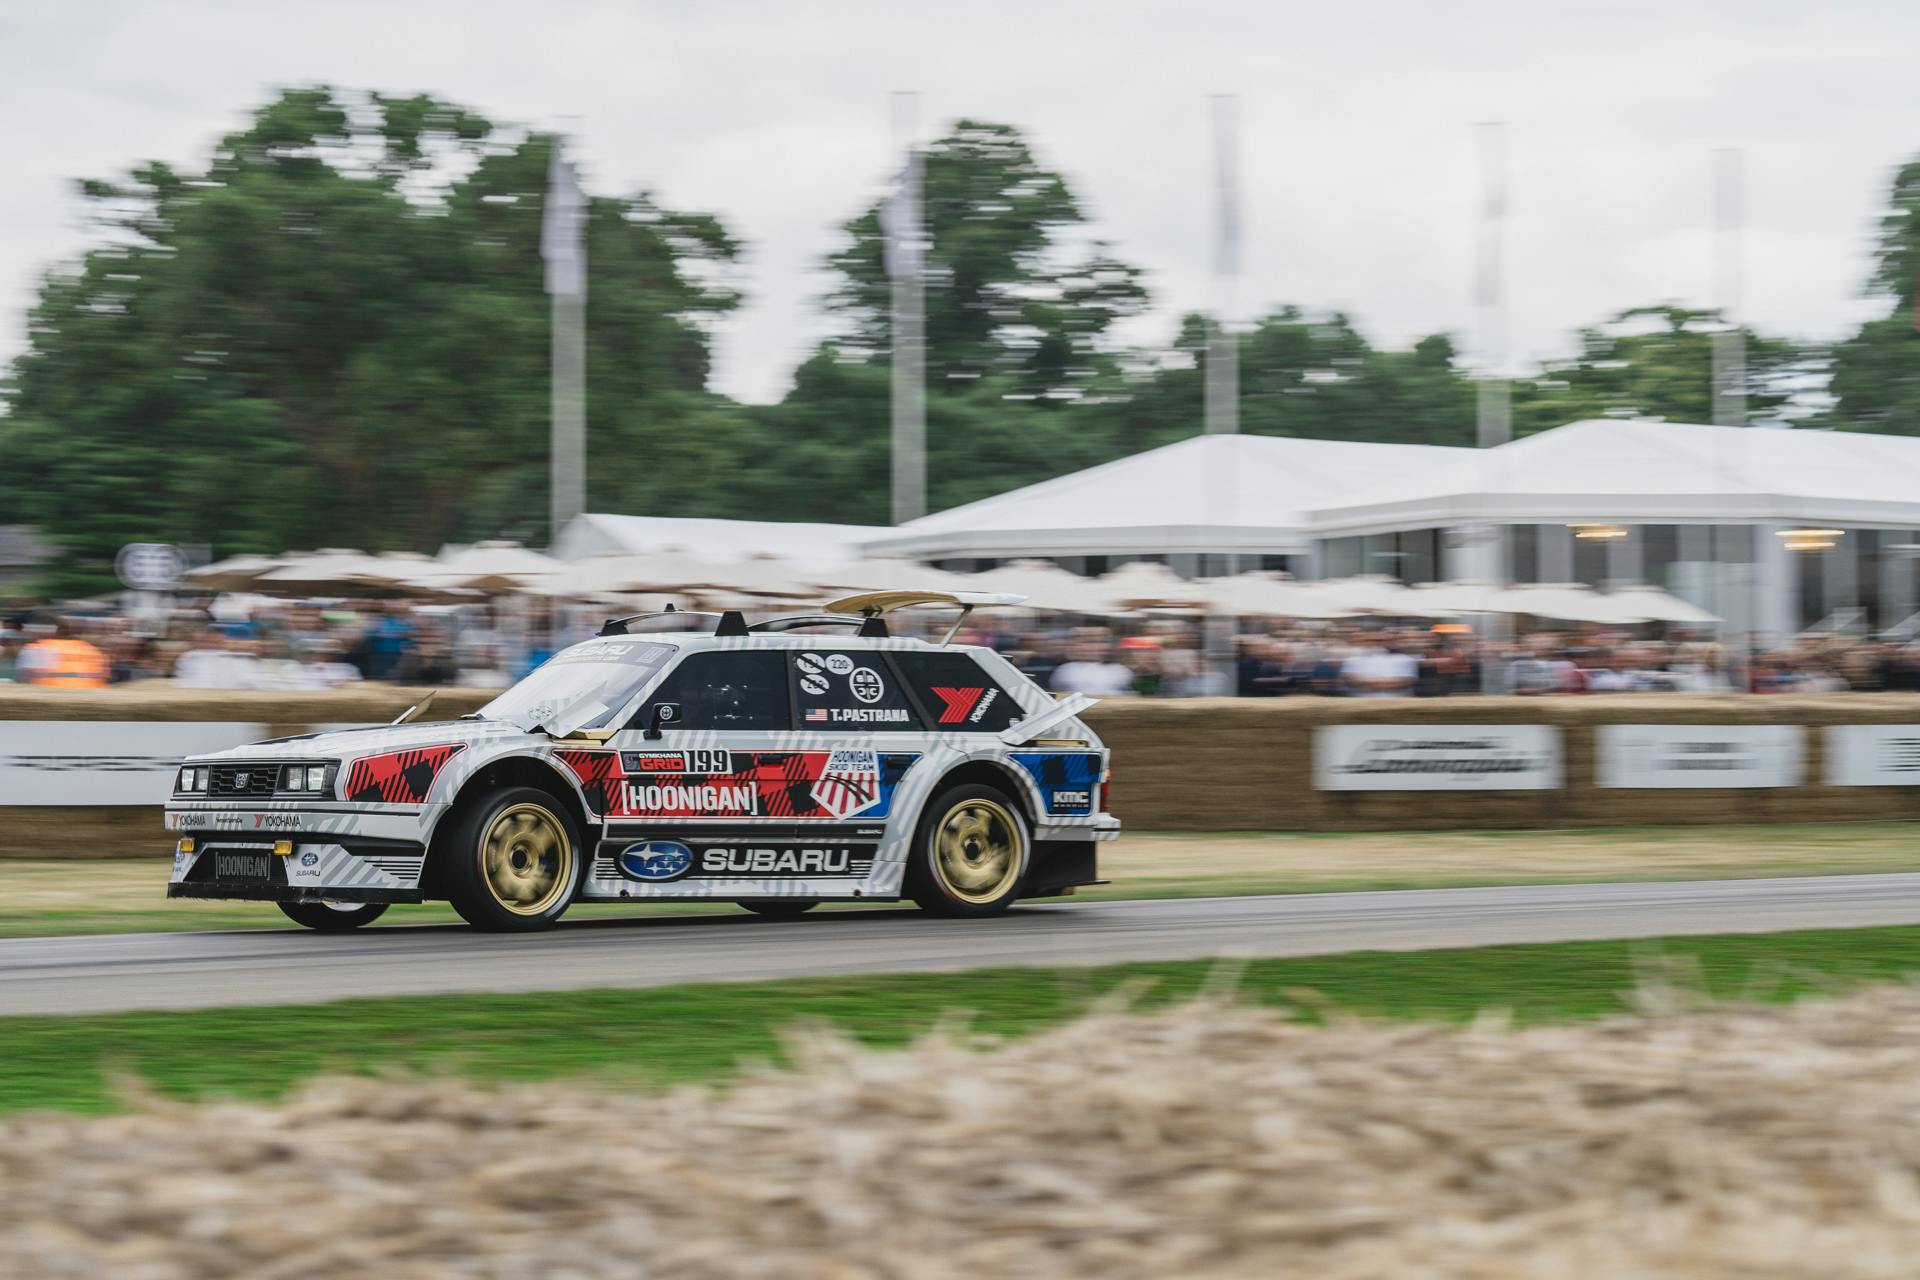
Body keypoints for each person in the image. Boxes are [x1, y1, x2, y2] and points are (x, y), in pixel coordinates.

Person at [16, 618, 110, 688]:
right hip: (88, 699)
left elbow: (25, 681)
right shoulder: (93, 651)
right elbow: (104, 679)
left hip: (49, 700)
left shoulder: (36, 649)